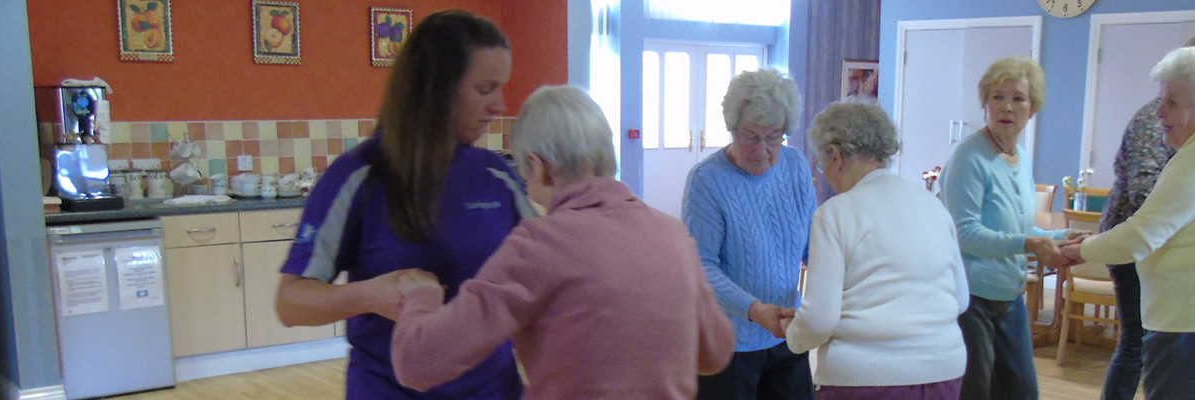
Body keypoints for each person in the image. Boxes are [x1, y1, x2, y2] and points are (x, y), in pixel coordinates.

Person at [389, 85, 737, 399]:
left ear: (537, 166)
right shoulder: (672, 234)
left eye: (525, 178)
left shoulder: (538, 244)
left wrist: (422, 295)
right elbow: (716, 351)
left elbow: (417, 362)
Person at [272, 10, 527, 400]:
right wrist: (370, 295)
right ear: (436, 89)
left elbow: (546, 272)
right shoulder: (359, 176)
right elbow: (290, 304)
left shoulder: (497, 175)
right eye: (486, 88)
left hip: (494, 391)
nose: (500, 106)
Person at [1058, 46, 1195, 400]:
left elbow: (1141, 236)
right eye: (1161, 100)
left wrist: (1079, 250)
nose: (1159, 112)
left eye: (1172, 103)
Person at [784, 100, 969, 400]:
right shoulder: (933, 207)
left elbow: (819, 319)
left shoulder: (835, 214)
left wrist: (794, 335)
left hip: (863, 378)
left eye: (822, 161)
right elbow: (960, 300)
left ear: (835, 154)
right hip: (944, 371)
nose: (825, 174)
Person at [941, 55, 1081, 400]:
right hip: (972, 299)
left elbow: (1020, 228)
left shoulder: (1020, 156)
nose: (1007, 107)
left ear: (1032, 108)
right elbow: (965, 233)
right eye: (997, 97)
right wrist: (1030, 244)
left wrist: (1061, 238)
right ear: (985, 103)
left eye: (1018, 98)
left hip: (1009, 297)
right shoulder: (968, 158)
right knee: (976, 393)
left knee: (1022, 392)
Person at [1095, 36, 1195, 400]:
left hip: (1156, 244)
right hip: (1131, 243)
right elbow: (1143, 191)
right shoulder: (1156, 120)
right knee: (1137, 342)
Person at [684, 68, 817, 400]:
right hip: (728, 345)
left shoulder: (796, 166)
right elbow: (700, 268)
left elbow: (815, 245)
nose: (762, 149)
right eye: (750, 136)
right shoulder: (707, 181)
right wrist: (755, 310)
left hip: (788, 334)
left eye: (773, 137)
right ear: (731, 129)